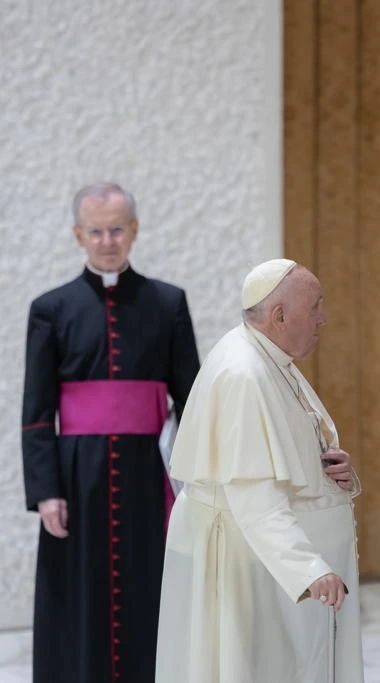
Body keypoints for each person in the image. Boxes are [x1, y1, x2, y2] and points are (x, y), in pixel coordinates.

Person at [21, 182, 201, 682]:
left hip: (149, 476)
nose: (107, 240)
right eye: (96, 230)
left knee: (149, 587)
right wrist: (46, 492)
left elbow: (192, 400)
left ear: (135, 231)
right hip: (78, 478)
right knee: (77, 592)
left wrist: (204, 480)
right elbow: (36, 411)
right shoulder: (50, 309)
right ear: (79, 234)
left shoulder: (168, 303)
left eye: (117, 229)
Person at [155, 259, 364, 683]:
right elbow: (254, 496)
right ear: (280, 316)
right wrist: (309, 569)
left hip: (268, 565)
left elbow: (286, 454)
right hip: (251, 566)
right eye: (316, 307)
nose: (323, 318)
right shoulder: (245, 373)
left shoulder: (266, 355)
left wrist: (335, 470)